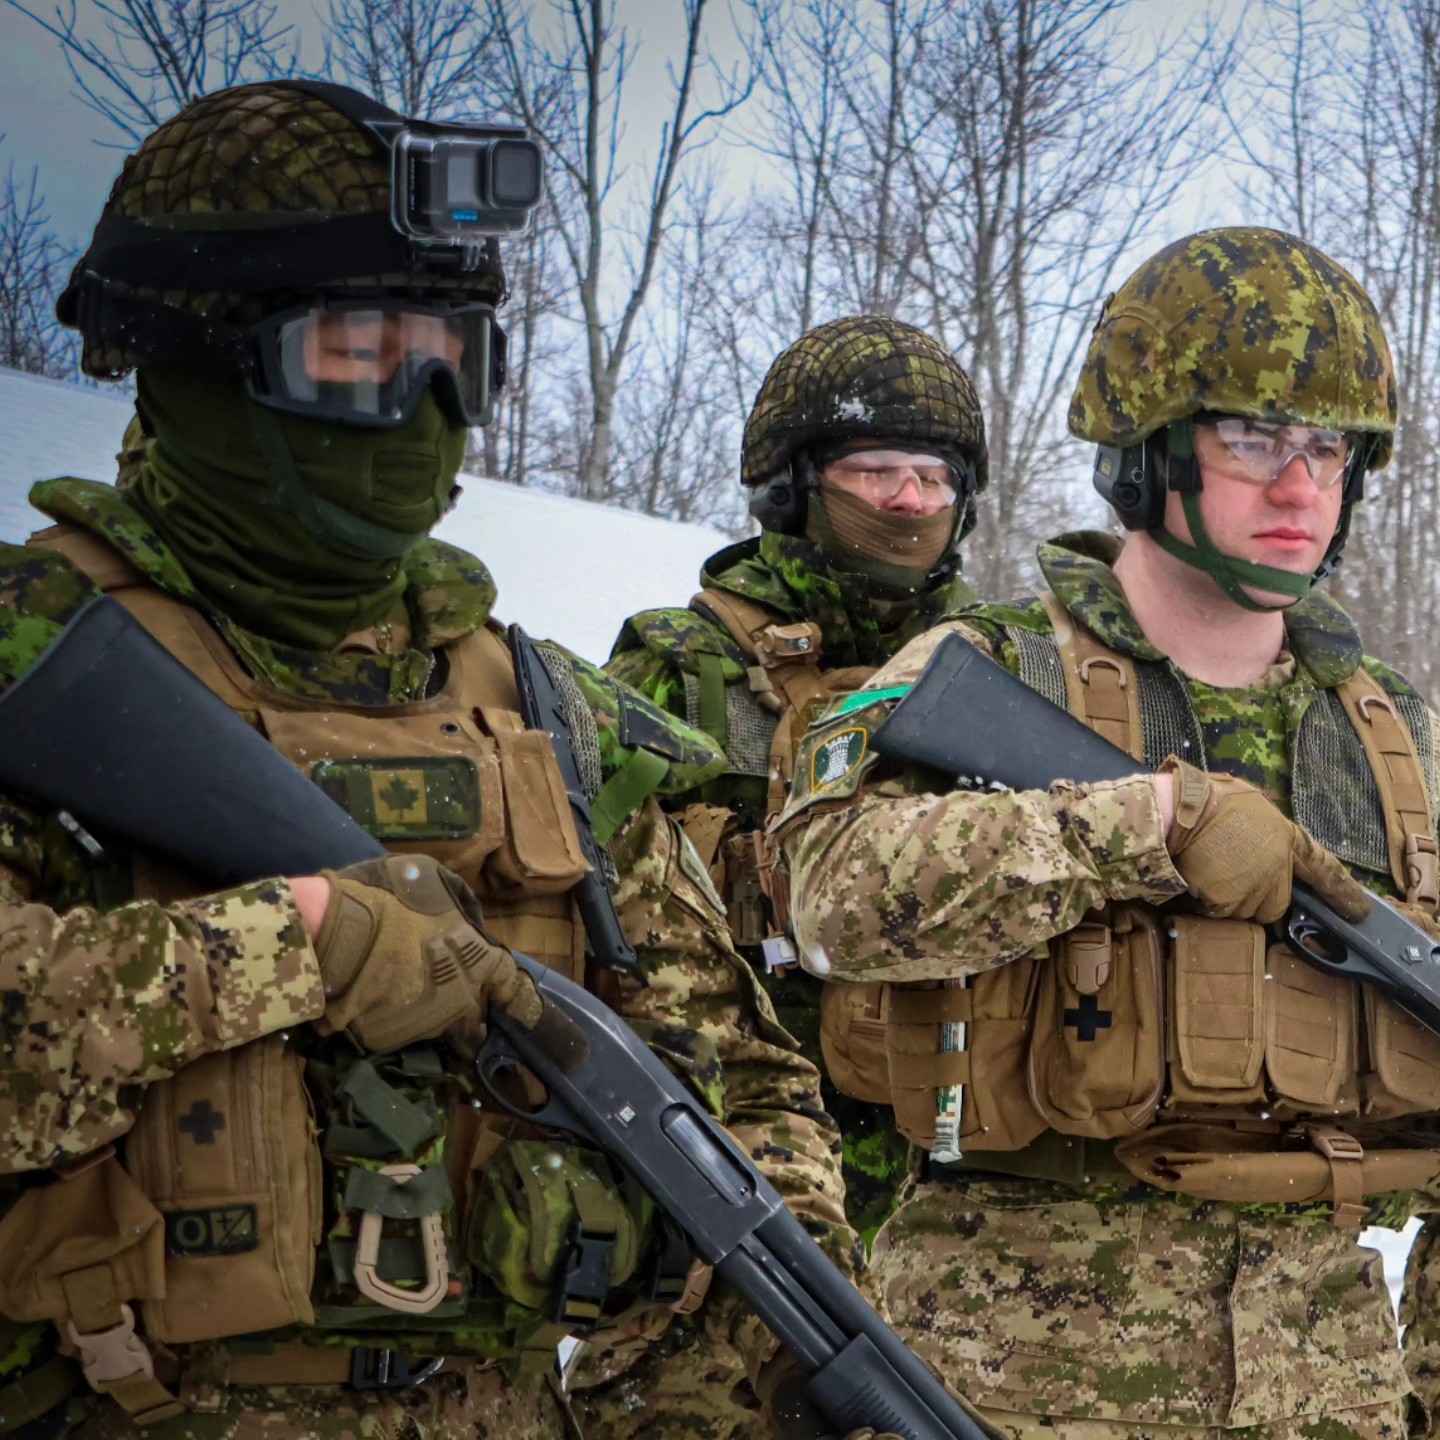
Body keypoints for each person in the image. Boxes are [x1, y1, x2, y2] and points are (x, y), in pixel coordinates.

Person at [0, 79, 850, 1439]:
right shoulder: (32, 671)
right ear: (194, 357)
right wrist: (302, 943)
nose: (420, 402)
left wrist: (769, 1346)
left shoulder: (550, 716)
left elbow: (739, 1089)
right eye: (355, 351)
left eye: (449, 351)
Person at [772, 227, 1440, 1440]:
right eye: (1251, 438)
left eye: (1328, 447)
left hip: (1328, 1381)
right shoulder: (985, 667)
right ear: (1148, 454)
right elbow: (825, 896)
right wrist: (1145, 824)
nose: (1300, 487)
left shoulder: (1401, 742)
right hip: (1012, 1373)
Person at [573, 315, 988, 1437]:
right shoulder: (683, 664)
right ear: (794, 485)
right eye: (872, 471)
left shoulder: (1001, 668)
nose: (907, 501)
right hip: (739, 1185)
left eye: (932, 475)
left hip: (966, 1200)